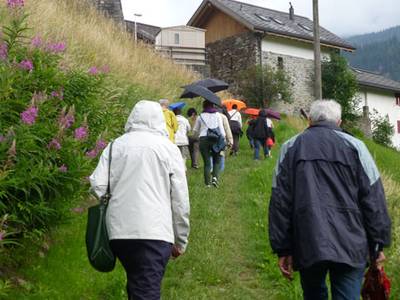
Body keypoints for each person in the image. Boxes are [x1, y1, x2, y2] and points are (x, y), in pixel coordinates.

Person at [269, 100, 391, 300]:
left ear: (309, 120)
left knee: (314, 294)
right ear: (340, 122)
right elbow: (374, 199)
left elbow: (280, 202)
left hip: (308, 239)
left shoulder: (290, 148)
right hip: (351, 241)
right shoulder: (357, 147)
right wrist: (377, 244)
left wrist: (283, 247)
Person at [90, 100, 190, 300]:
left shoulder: (114, 146)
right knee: (146, 290)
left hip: (118, 233)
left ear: (132, 118)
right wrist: (180, 240)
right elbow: (180, 199)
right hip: (155, 232)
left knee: (138, 284)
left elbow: (98, 185)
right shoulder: (168, 149)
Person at [193, 100, 226, 187]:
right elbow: (222, 130)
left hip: (203, 139)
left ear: (204, 106)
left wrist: (197, 136)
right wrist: (224, 140)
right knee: (217, 160)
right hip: (216, 139)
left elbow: (195, 131)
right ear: (213, 106)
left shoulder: (200, 116)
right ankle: (215, 178)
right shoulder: (218, 115)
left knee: (207, 163)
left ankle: (207, 184)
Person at [218, 107, 233, 172]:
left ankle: (211, 169)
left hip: (210, 137)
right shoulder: (223, 117)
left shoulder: (207, 116)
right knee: (221, 154)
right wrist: (230, 140)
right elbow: (227, 129)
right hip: (221, 137)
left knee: (211, 155)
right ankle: (221, 170)